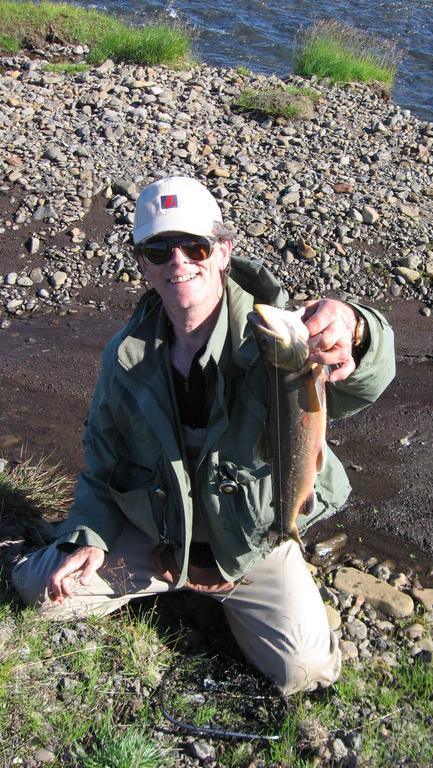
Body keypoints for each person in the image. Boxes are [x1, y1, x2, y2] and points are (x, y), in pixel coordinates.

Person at [12, 176, 395, 695]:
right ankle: (43, 543)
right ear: (142, 264)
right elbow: (102, 464)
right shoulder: (123, 359)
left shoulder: (284, 343)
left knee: (303, 672)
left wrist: (357, 329)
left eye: (195, 246)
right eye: (159, 249)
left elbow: (367, 381)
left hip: (252, 545)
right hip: (157, 540)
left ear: (223, 251)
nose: (179, 262)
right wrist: (92, 535)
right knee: (39, 590)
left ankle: (246, 584)